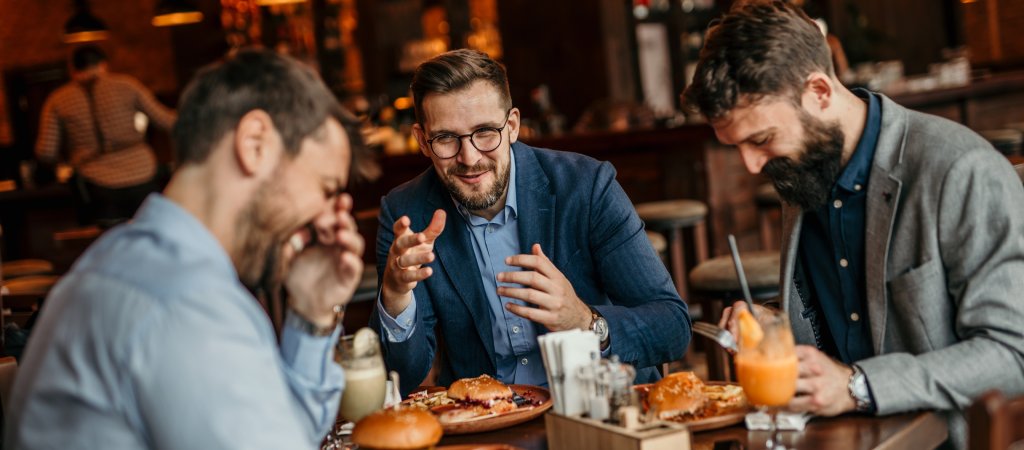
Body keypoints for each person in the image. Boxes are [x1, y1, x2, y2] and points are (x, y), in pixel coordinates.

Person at [682, 2, 1024, 449]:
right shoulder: (803, 168)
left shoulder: (960, 170)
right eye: (737, 147)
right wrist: (774, 322)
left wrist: (856, 385)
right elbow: (849, 314)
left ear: (820, 91)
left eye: (760, 139)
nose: (750, 165)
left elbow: (1012, 353)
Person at [6, 49, 368, 449]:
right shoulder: (183, 301)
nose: (327, 218)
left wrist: (312, 314)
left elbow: (279, 432)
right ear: (254, 144)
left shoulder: (123, 263)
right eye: (326, 187)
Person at [371, 49, 691, 395]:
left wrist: (583, 320)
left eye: (485, 132)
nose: (470, 157)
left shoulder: (587, 186)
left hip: (598, 410)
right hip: (488, 422)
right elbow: (401, 374)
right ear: (422, 140)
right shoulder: (406, 213)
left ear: (512, 126)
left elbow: (673, 328)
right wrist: (395, 295)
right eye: (446, 138)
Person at [35, 45, 176, 225]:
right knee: (152, 230)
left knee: (106, 241)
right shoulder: (126, 85)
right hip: (141, 173)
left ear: (72, 69)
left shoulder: (58, 100)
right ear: (103, 64)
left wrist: (66, 159)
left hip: (95, 182)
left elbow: (45, 151)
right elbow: (165, 120)